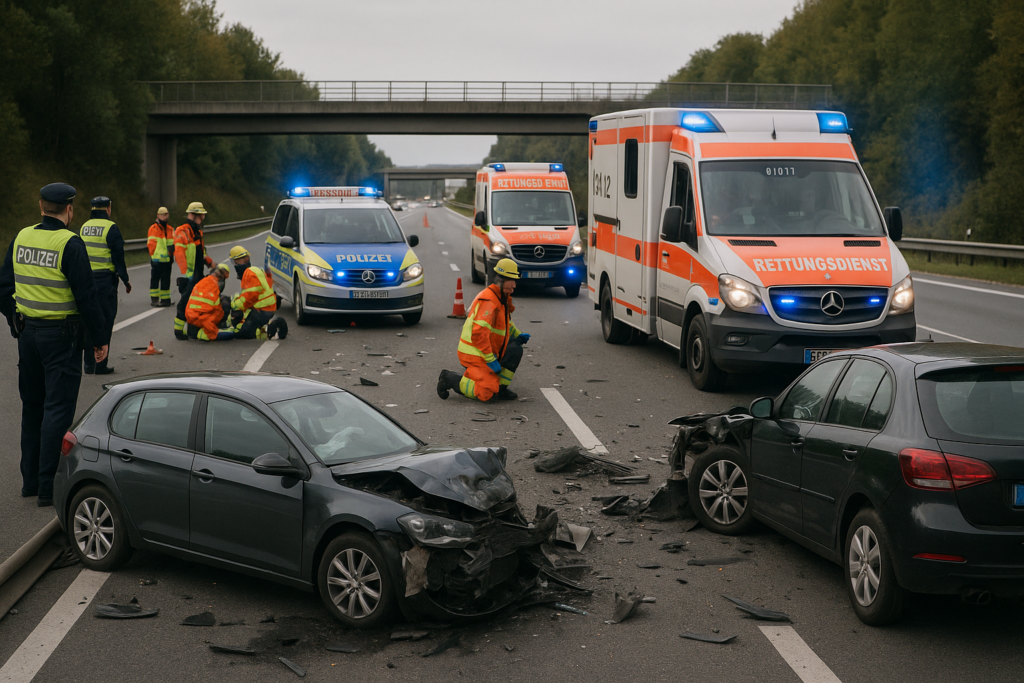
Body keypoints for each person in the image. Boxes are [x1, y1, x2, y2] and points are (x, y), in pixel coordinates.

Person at [0, 183, 109, 507]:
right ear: (69, 210)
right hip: (61, 339)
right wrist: (99, 339)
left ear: (40, 206)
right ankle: (49, 487)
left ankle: (30, 482)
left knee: (32, 407)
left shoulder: (21, 237)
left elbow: (3, 287)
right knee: (57, 410)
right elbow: (87, 298)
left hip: (29, 336)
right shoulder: (69, 243)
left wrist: (14, 320)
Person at [436, 258, 530, 402]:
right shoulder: (489, 301)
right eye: (512, 281)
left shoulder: (502, 298)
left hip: (488, 350)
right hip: (475, 354)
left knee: (515, 349)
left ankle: (500, 389)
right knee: (486, 393)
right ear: (501, 280)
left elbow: (504, 325)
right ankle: (450, 379)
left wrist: (517, 335)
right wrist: (490, 359)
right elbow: (479, 334)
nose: (514, 286)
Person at [80, 196, 130, 375]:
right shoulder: (111, 228)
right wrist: (125, 279)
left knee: (88, 321)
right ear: (108, 208)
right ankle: (101, 364)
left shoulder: (84, 227)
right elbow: (118, 257)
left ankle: (88, 364)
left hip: (86, 280)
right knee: (105, 321)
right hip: (104, 282)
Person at [227, 245, 287, 340]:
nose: (235, 265)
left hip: (261, 310)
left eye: (235, 262)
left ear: (238, 260)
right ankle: (269, 325)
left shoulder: (249, 274)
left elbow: (249, 297)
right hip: (269, 308)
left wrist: (234, 305)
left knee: (244, 333)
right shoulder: (258, 270)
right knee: (250, 326)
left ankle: (269, 328)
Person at [173, 202, 214, 340]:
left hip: (198, 273)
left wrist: (210, 264)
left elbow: (201, 253)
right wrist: (187, 274)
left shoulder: (198, 232)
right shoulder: (183, 231)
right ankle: (178, 331)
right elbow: (179, 253)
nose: (203, 218)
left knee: (196, 303)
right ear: (194, 215)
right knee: (184, 302)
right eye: (201, 215)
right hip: (189, 275)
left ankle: (192, 329)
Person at [185, 262, 234, 341]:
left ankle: (191, 329)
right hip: (202, 322)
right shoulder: (214, 287)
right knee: (225, 301)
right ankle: (200, 332)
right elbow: (213, 314)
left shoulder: (202, 282)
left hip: (190, 318)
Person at [147, 206, 175, 307]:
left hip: (167, 260)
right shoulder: (153, 229)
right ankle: (154, 299)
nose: (165, 217)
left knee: (166, 280)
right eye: (163, 215)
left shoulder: (170, 229)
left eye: (166, 214)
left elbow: (172, 244)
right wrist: (153, 255)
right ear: (158, 216)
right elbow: (150, 244)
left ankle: (165, 300)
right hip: (157, 259)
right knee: (155, 280)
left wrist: (172, 256)